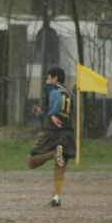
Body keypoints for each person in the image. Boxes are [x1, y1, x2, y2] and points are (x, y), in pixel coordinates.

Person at [27, 67, 75, 207]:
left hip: (51, 132)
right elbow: (63, 114)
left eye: (48, 78)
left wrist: (52, 113)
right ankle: (56, 197)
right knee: (60, 167)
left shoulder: (50, 88)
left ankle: (53, 154)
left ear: (55, 78)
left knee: (30, 162)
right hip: (67, 133)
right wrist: (42, 115)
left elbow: (55, 100)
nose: (46, 81)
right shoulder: (70, 93)